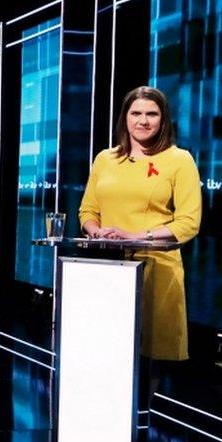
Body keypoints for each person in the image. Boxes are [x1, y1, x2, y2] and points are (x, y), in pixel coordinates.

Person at [79, 86, 201, 369]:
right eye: (136, 113)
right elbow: (87, 210)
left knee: (147, 362)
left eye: (151, 114)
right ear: (125, 118)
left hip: (156, 269)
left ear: (163, 119)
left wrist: (133, 236)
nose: (143, 121)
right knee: (108, 353)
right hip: (106, 268)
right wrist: (97, 231)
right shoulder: (105, 159)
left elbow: (188, 222)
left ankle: (144, 412)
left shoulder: (179, 160)